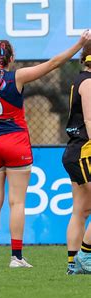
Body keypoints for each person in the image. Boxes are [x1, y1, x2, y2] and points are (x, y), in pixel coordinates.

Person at [0, 19, 91, 268]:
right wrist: (79, 43)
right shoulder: (18, 77)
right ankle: (16, 257)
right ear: (10, 59)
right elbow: (54, 63)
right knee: (17, 202)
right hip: (16, 142)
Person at [62, 41, 91, 275]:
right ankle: (85, 256)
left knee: (80, 210)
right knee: (81, 210)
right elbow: (90, 121)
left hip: (75, 150)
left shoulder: (79, 79)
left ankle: (73, 264)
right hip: (85, 151)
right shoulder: (89, 82)